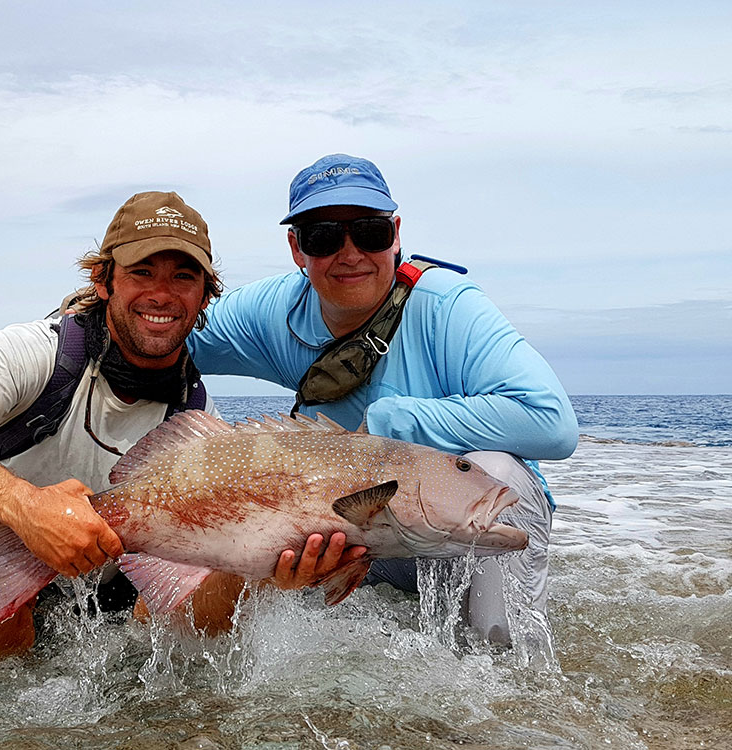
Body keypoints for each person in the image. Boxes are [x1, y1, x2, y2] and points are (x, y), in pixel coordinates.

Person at [0, 191, 346, 657]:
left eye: (184, 277)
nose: (162, 294)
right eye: (142, 272)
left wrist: (261, 574)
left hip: (109, 592)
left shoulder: (197, 420)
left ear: (205, 295)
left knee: (192, 618)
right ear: (104, 281)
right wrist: (26, 508)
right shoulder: (35, 353)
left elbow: (195, 615)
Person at [187, 154, 579, 647]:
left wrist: (391, 421)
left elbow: (552, 422)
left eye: (369, 232)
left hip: (463, 530)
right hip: (357, 536)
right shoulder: (274, 310)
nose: (349, 254)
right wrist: (68, 327)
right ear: (296, 248)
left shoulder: (447, 305)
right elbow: (158, 326)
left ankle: (506, 678)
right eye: (324, 236)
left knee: (493, 470)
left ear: (395, 234)